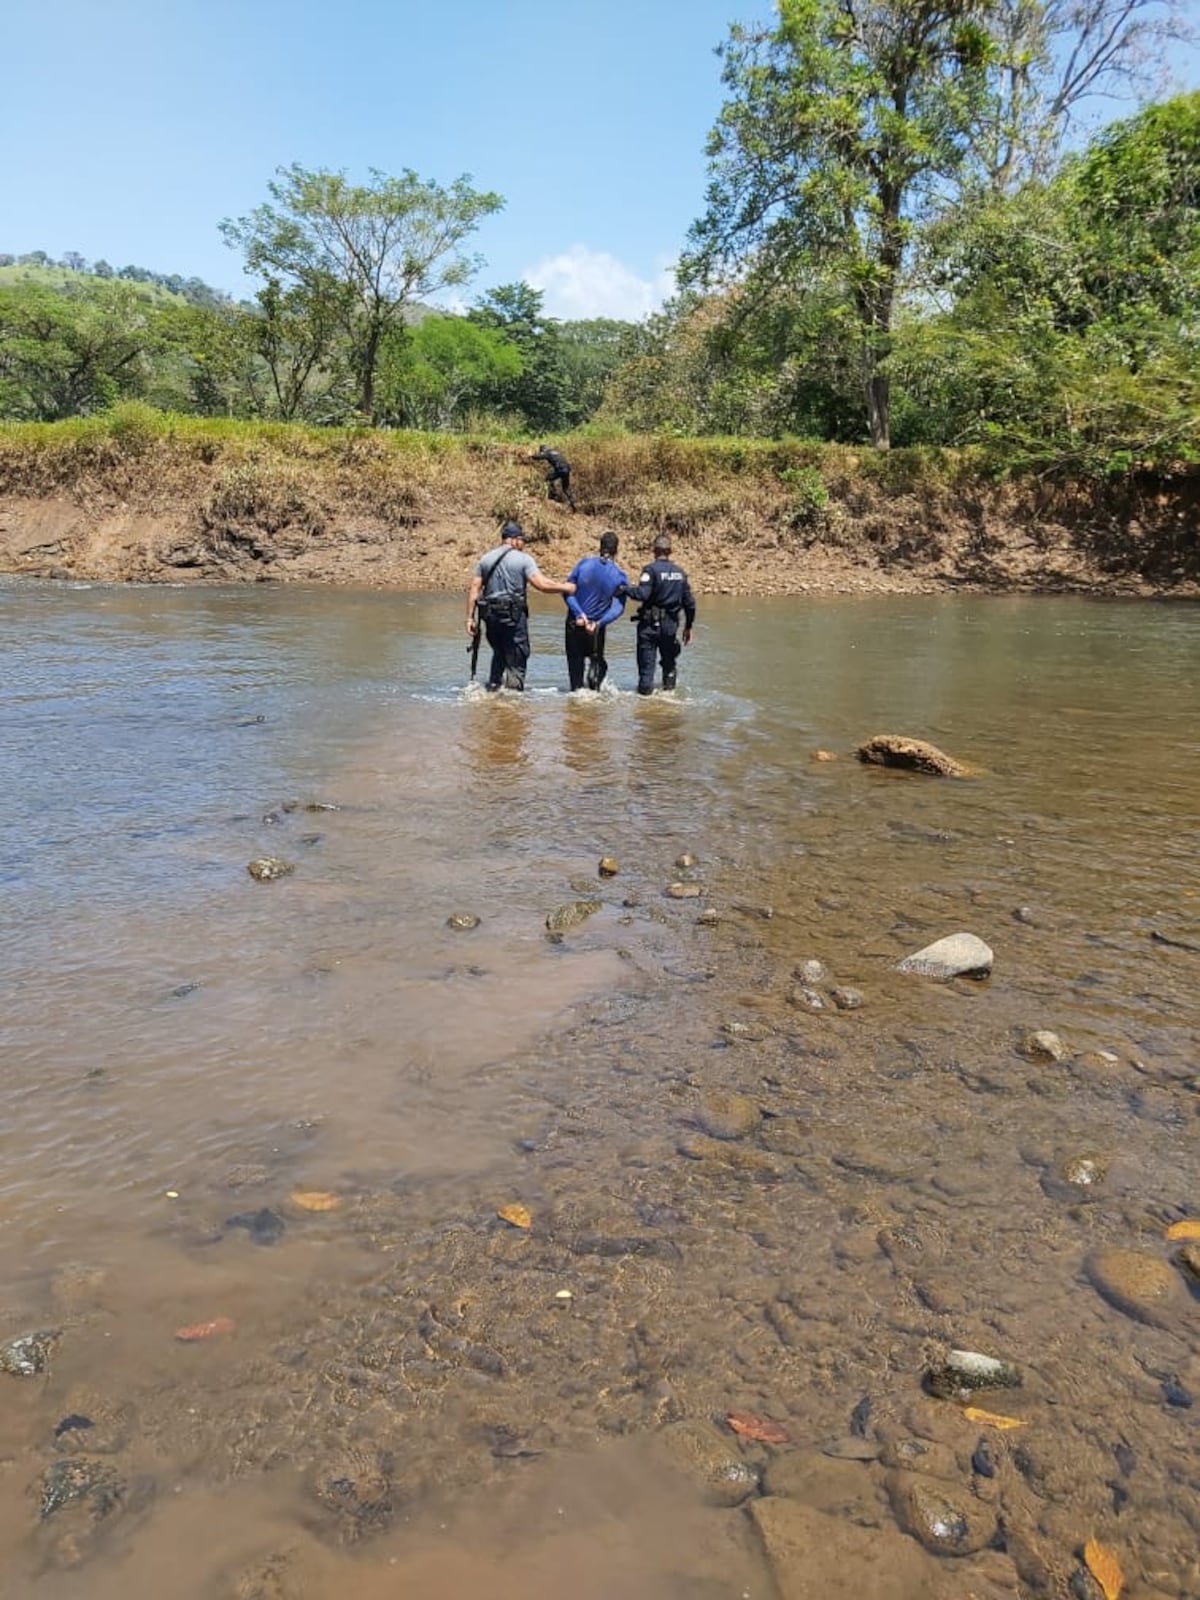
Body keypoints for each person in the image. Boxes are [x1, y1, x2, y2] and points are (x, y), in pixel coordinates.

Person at [466, 521, 575, 692]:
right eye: (522, 540)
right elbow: (542, 585)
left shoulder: (485, 559)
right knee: (517, 657)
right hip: (513, 617)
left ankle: (493, 691)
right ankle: (513, 703)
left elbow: (474, 588)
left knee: (499, 653)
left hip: (491, 618)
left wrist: (470, 618)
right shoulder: (523, 559)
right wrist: (566, 587)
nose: (523, 544)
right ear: (515, 540)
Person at [622, 532, 696, 696]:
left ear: (654, 550)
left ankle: (645, 702)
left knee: (647, 669)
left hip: (649, 626)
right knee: (669, 664)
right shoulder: (680, 574)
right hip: (670, 627)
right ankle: (669, 697)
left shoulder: (651, 570)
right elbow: (690, 604)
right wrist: (688, 627)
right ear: (670, 551)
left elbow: (642, 594)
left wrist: (624, 589)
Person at [563, 530, 628, 691]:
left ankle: (576, 708)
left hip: (575, 622)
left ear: (600, 547)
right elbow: (618, 608)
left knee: (575, 678)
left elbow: (567, 591)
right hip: (596, 628)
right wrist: (599, 622)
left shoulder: (583, 564)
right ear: (616, 550)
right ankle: (594, 707)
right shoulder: (620, 576)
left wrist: (579, 613)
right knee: (596, 669)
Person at [530, 444, 576, 511]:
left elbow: (538, 457)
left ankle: (553, 494)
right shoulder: (555, 452)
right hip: (567, 470)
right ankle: (573, 503)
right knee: (565, 488)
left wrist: (531, 456)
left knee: (547, 479)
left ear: (543, 450)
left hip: (561, 470)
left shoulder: (547, 453)